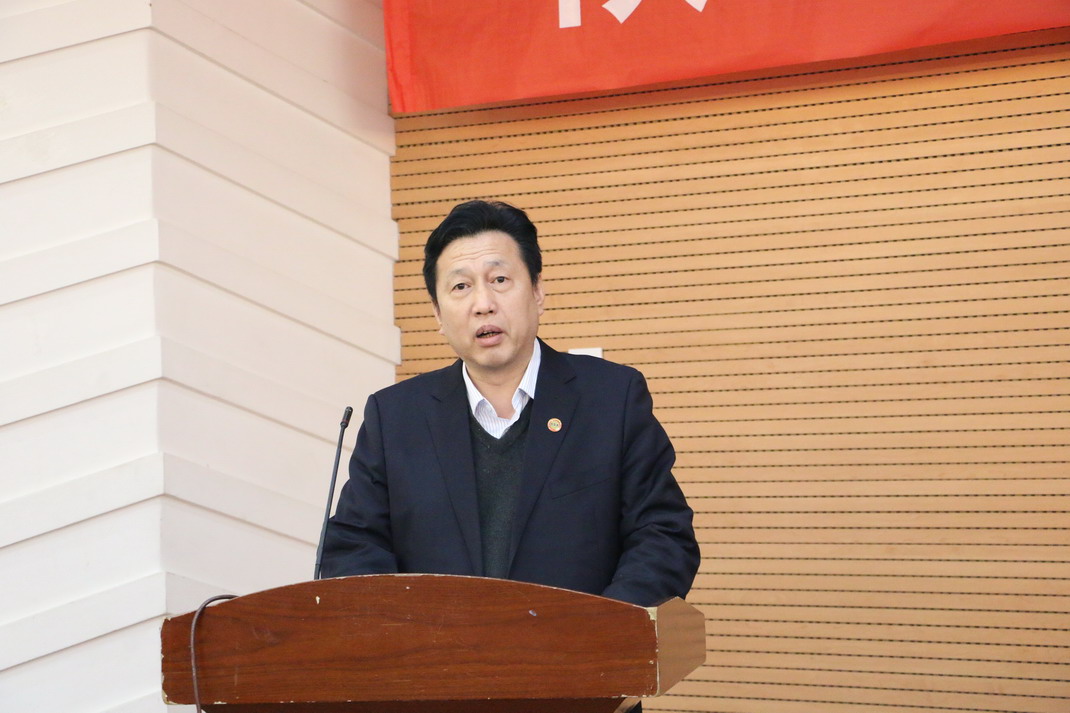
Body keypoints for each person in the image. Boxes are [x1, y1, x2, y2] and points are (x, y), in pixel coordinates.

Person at [321, 200, 699, 607]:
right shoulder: (395, 417)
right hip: (435, 647)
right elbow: (354, 548)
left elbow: (662, 535)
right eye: (461, 287)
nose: (483, 303)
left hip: (580, 644)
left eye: (499, 279)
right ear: (438, 314)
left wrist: (602, 628)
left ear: (537, 292)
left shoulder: (611, 397)